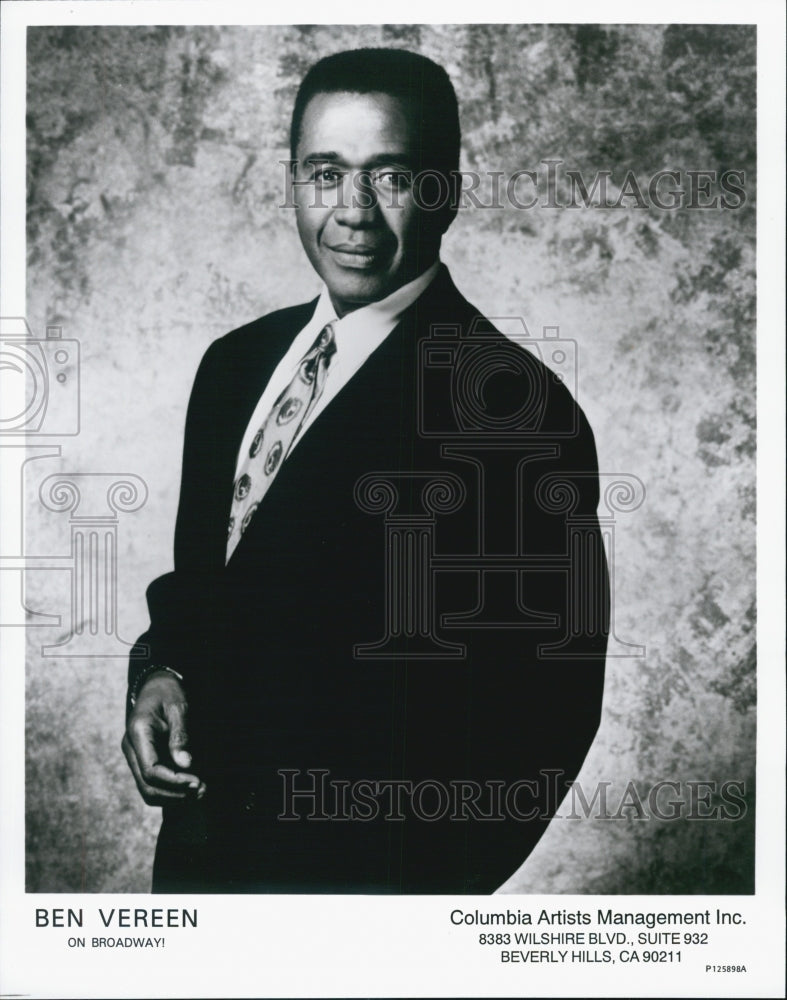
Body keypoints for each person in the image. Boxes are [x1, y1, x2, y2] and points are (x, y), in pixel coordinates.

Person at [122, 47, 608, 893]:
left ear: (445, 193)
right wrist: (165, 670)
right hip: (198, 878)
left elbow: (540, 722)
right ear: (292, 183)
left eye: (389, 177)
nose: (351, 213)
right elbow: (211, 590)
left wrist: (391, 928)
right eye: (324, 173)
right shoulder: (235, 364)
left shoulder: (514, 413)